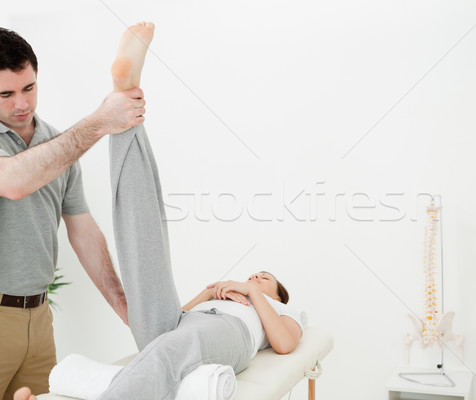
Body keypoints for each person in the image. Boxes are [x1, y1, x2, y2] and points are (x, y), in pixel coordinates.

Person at [14, 21, 303, 400]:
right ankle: (125, 96)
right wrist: (209, 293)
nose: (253, 276)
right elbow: (179, 316)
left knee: (166, 350)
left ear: (279, 297)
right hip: (182, 321)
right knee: (143, 234)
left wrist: (251, 291)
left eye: (264, 277)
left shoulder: (279, 316)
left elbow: (283, 345)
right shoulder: (222, 301)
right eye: (255, 275)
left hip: (223, 339)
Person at [0, 24, 147, 400]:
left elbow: (82, 230)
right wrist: (101, 121)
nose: (21, 104)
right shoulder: (61, 147)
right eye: (6, 94)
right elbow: (14, 182)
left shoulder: (54, 141)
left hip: (39, 317)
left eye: (29, 88)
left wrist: (123, 304)